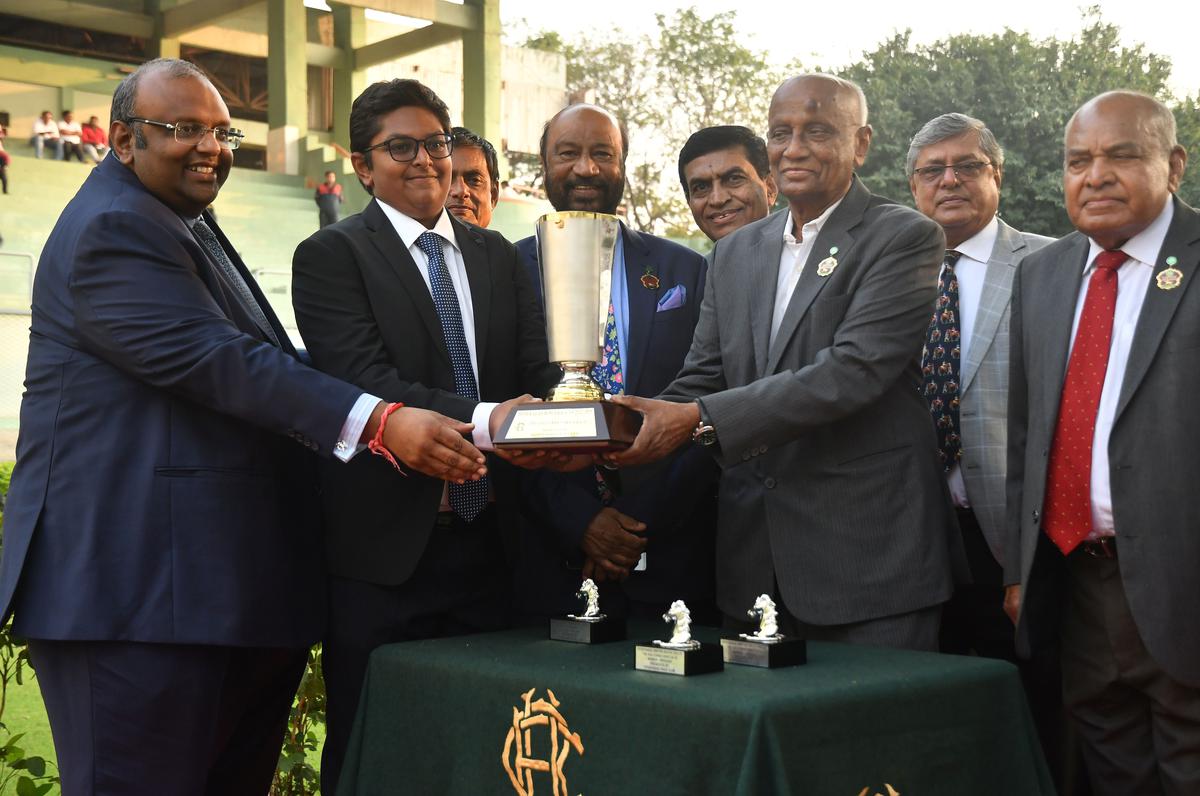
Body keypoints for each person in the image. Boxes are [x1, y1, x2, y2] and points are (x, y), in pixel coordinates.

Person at [0, 58, 487, 795]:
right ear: (124, 140)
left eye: (223, 132)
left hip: (210, 597)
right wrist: (380, 421)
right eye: (183, 129)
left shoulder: (180, 220)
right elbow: (219, 362)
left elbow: (266, 359)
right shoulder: (113, 227)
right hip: (137, 601)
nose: (211, 147)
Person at [609, 75, 960, 651]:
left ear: (862, 143)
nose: (794, 148)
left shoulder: (905, 236)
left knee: (868, 738)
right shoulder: (733, 252)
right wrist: (613, 425)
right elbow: (704, 374)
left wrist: (698, 417)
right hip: (755, 564)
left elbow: (852, 371)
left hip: (868, 561)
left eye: (816, 131)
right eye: (781, 133)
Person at [290, 79, 561, 794]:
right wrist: (495, 421)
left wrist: (572, 414)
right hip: (385, 559)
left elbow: (538, 370)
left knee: (489, 750)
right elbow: (364, 378)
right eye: (399, 147)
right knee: (374, 749)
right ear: (361, 164)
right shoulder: (331, 256)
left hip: (495, 547)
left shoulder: (498, 254)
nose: (425, 161)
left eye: (435, 144)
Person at [1005, 90, 1199, 795]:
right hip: (1077, 586)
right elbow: (1029, 434)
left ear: (1174, 164)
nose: (1096, 176)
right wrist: (1021, 570)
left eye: (1123, 155)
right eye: (1077, 161)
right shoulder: (1043, 274)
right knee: (1113, 774)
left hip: (1184, 588)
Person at [514, 103, 716, 624]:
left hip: (670, 550)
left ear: (623, 165)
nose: (586, 168)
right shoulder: (501, 269)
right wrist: (581, 520)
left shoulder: (684, 270)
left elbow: (709, 395)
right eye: (569, 153)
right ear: (543, 162)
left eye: (602, 153)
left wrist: (635, 521)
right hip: (550, 554)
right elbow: (493, 401)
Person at [678, 125, 777, 242]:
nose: (718, 199)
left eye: (734, 179)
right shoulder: (690, 261)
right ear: (689, 202)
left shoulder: (801, 257)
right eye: (701, 187)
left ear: (770, 188)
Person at [446, 126, 499, 228]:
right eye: (447, 179)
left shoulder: (504, 244)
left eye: (474, 180)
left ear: (494, 195)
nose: (460, 191)